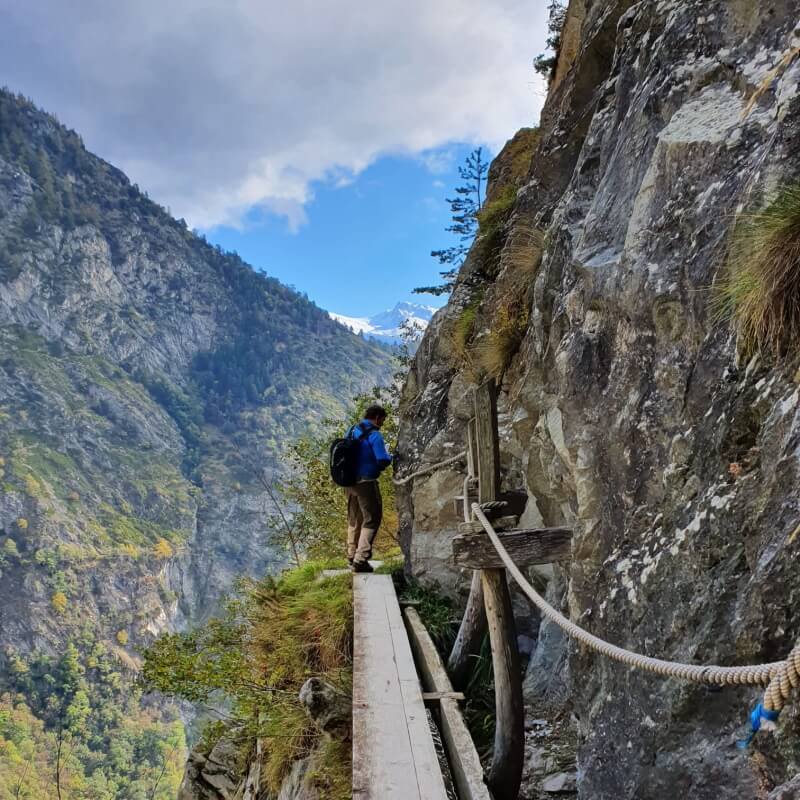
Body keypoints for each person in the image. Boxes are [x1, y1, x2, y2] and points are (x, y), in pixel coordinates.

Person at [345, 404, 392, 573]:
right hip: (366, 482)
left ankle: (351, 556)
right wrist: (390, 457)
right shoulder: (375, 435)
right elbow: (382, 460)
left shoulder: (352, 430)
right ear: (378, 417)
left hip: (349, 483)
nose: (383, 423)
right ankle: (361, 559)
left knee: (354, 518)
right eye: (383, 420)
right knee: (372, 518)